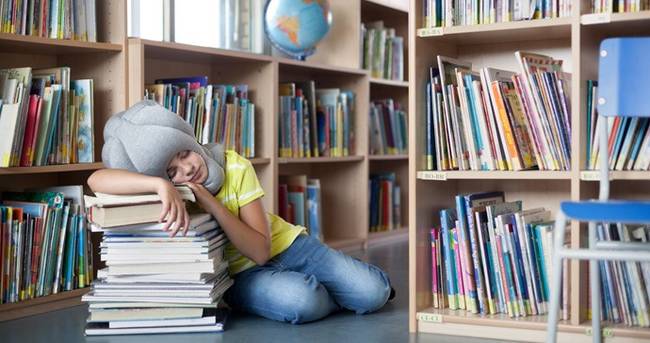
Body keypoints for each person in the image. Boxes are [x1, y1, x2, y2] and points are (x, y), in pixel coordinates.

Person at [87, 100, 393, 324]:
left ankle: (340, 286)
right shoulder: (166, 186)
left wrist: (211, 203)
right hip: (239, 276)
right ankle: (327, 290)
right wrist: (159, 185)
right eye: (172, 170)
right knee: (303, 302)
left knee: (374, 292)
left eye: (184, 153)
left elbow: (261, 250)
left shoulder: (234, 165)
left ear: (191, 140)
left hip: (286, 246)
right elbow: (95, 179)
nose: (188, 168)